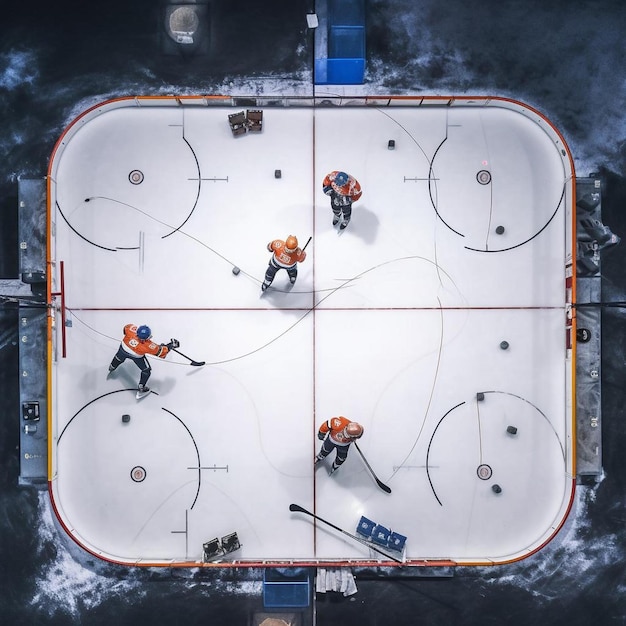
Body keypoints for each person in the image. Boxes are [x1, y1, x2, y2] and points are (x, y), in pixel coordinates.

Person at [108, 324, 179, 395]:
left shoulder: (130, 330)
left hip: (123, 350)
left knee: (118, 358)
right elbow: (160, 352)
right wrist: (170, 345)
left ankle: (112, 367)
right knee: (146, 370)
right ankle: (141, 386)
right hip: (136, 356)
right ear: (146, 338)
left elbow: (125, 328)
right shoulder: (148, 345)